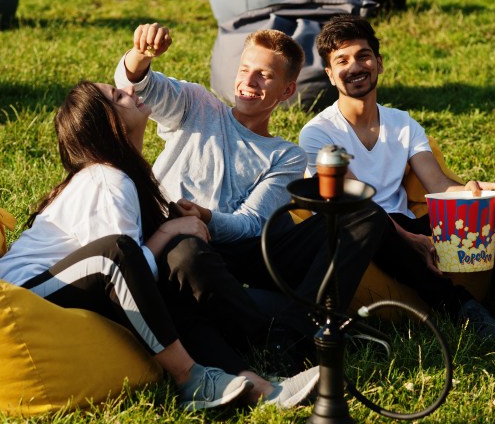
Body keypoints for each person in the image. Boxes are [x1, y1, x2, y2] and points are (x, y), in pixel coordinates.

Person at [0, 81, 320, 410]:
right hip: (23, 293)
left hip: (69, 287)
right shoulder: (106, 178)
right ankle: (190, 377)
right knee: (117, 257)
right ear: (110, 125)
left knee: (173, 303)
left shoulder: (128, 176)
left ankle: (261, 389)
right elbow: (123, 268)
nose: (130, 93)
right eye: (118, 96)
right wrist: (168, 232)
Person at [114, 23, 388, 369]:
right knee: (191, 256)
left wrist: (207, 216)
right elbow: (137, 87)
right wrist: (141, 54)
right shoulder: (198, 105)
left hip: (241, 249)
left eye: (264, 76)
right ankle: (283, 336)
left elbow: (251, 225)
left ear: (287, 91)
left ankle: (301, 325)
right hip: (181, 244)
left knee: (365, 216)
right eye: (245, 70)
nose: (249, 82)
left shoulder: (285, 155)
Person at [298, 15, 495, 339]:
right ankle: (463, 308)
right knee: (376, 224)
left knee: (493, 207)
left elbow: (437, 184)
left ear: (379, 63)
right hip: (360, 231)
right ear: (329, 74)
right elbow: (355, 204)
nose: (355, 66)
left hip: (404, 222)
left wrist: (468, 193)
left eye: (363, 56)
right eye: (342, 60)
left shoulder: (403, 123)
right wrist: (410, 240)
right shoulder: (317, 133)